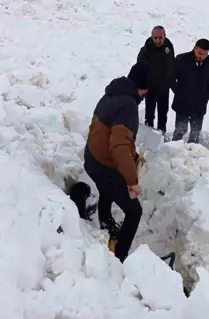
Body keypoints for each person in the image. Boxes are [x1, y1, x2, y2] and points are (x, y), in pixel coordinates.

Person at [83, 61, 152, 262]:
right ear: (143, 89)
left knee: (108, 188)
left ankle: (105, 223)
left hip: (92, 158)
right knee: (135, 211)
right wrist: (132, 181)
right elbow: (119, 146)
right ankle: (120, 257)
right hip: (103, 165)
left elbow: (112, 138)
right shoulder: (129, 105)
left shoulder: (112, 93)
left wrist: (131, 157)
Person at [171, 38, 209, 144]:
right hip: (183, 102)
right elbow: (171, 78)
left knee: (195, 133)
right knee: (180, 131)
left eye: (204, 54)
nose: (201, 56)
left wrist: (208, 94)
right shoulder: (181, 59)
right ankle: (174, 152)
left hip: (199, 103)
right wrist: (179, 93)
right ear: (194, 48)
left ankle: (193, 153)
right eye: (199, 53)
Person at [137, 26, 175, 135]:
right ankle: (148, 135)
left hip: (164, 87)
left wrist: (172, 83)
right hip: (151, 87)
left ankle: (161, 134)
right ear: (151, 36)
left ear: (165, 36)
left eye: (160, 38)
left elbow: (171, 66)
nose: (158, 40)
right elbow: (140, 69)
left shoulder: (169, 47)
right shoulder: (145, 50)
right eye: (156, 38)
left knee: (163, 113)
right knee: (149, 113)